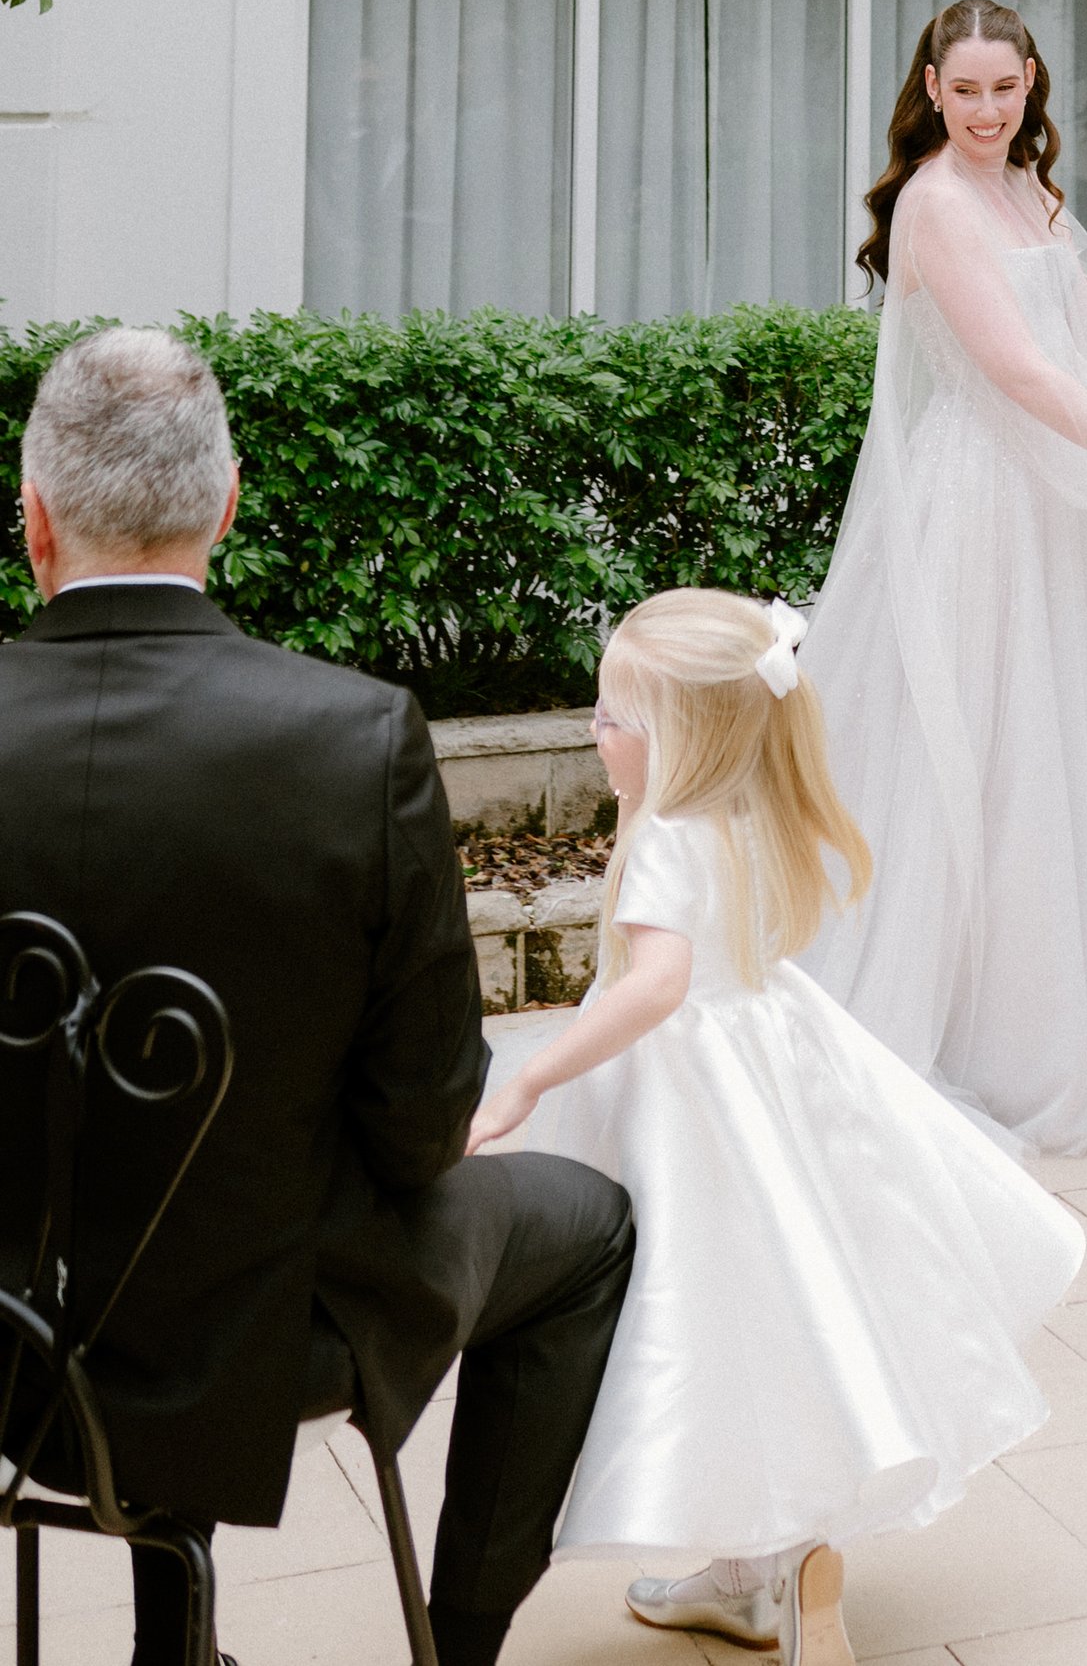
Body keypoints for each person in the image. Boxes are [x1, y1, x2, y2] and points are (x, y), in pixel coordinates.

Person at [0, 327, 633, 1666]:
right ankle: (456, 1648)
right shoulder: (351, 738)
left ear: (33, 515)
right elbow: (419, 1122)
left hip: (7, 1339)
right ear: (226, 505)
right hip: (259, 1334)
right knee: (585, 1222)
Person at [472, 589, 1083, 1666]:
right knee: (785, 1312)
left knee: (711, 1321)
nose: (594, 730)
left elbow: (655, 986)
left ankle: (774, 1557)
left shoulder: (667, 831)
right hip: (773, 1067)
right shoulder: (739, 809)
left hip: (691, 1107)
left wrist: (532, 1080)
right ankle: (755, 1574)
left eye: (616, 718)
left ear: (683, 741)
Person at [797, 0, 1087, 1156]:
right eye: (968, 90)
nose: (989, 111)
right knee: (973, 758)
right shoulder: (937, 204)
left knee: (1051, 752)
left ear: (1033, 81)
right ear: (932, 91)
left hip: (1053, 503)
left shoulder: (1034, 194)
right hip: (980, 503)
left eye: (1008, 88)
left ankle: (1037, 1032)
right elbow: (1021, 375)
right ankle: (940, 1029)